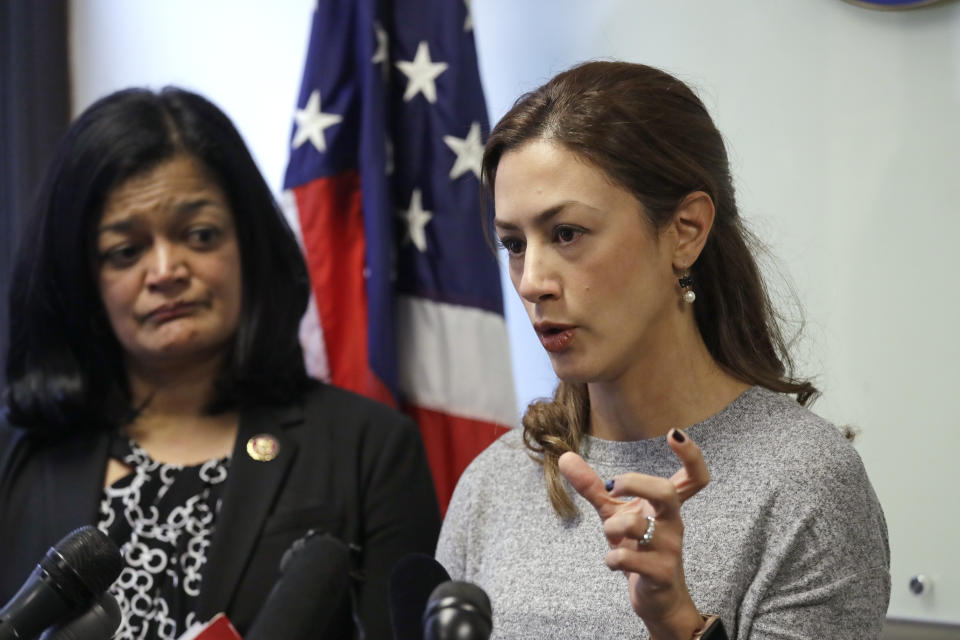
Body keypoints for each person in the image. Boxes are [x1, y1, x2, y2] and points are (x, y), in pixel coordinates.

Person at [436, 61, 890, 639]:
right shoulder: (494, 482)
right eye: (514, 244)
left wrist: (677, 623)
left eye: (567, 234)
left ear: (684, 231)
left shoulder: (805, 483)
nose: (532, 281)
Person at [0, 87, 441, 640]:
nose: (165, 270)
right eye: (126, 251)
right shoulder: (19, 458)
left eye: (198, 235)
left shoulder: (370, 447)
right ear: (82, 279)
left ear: (248, 245)